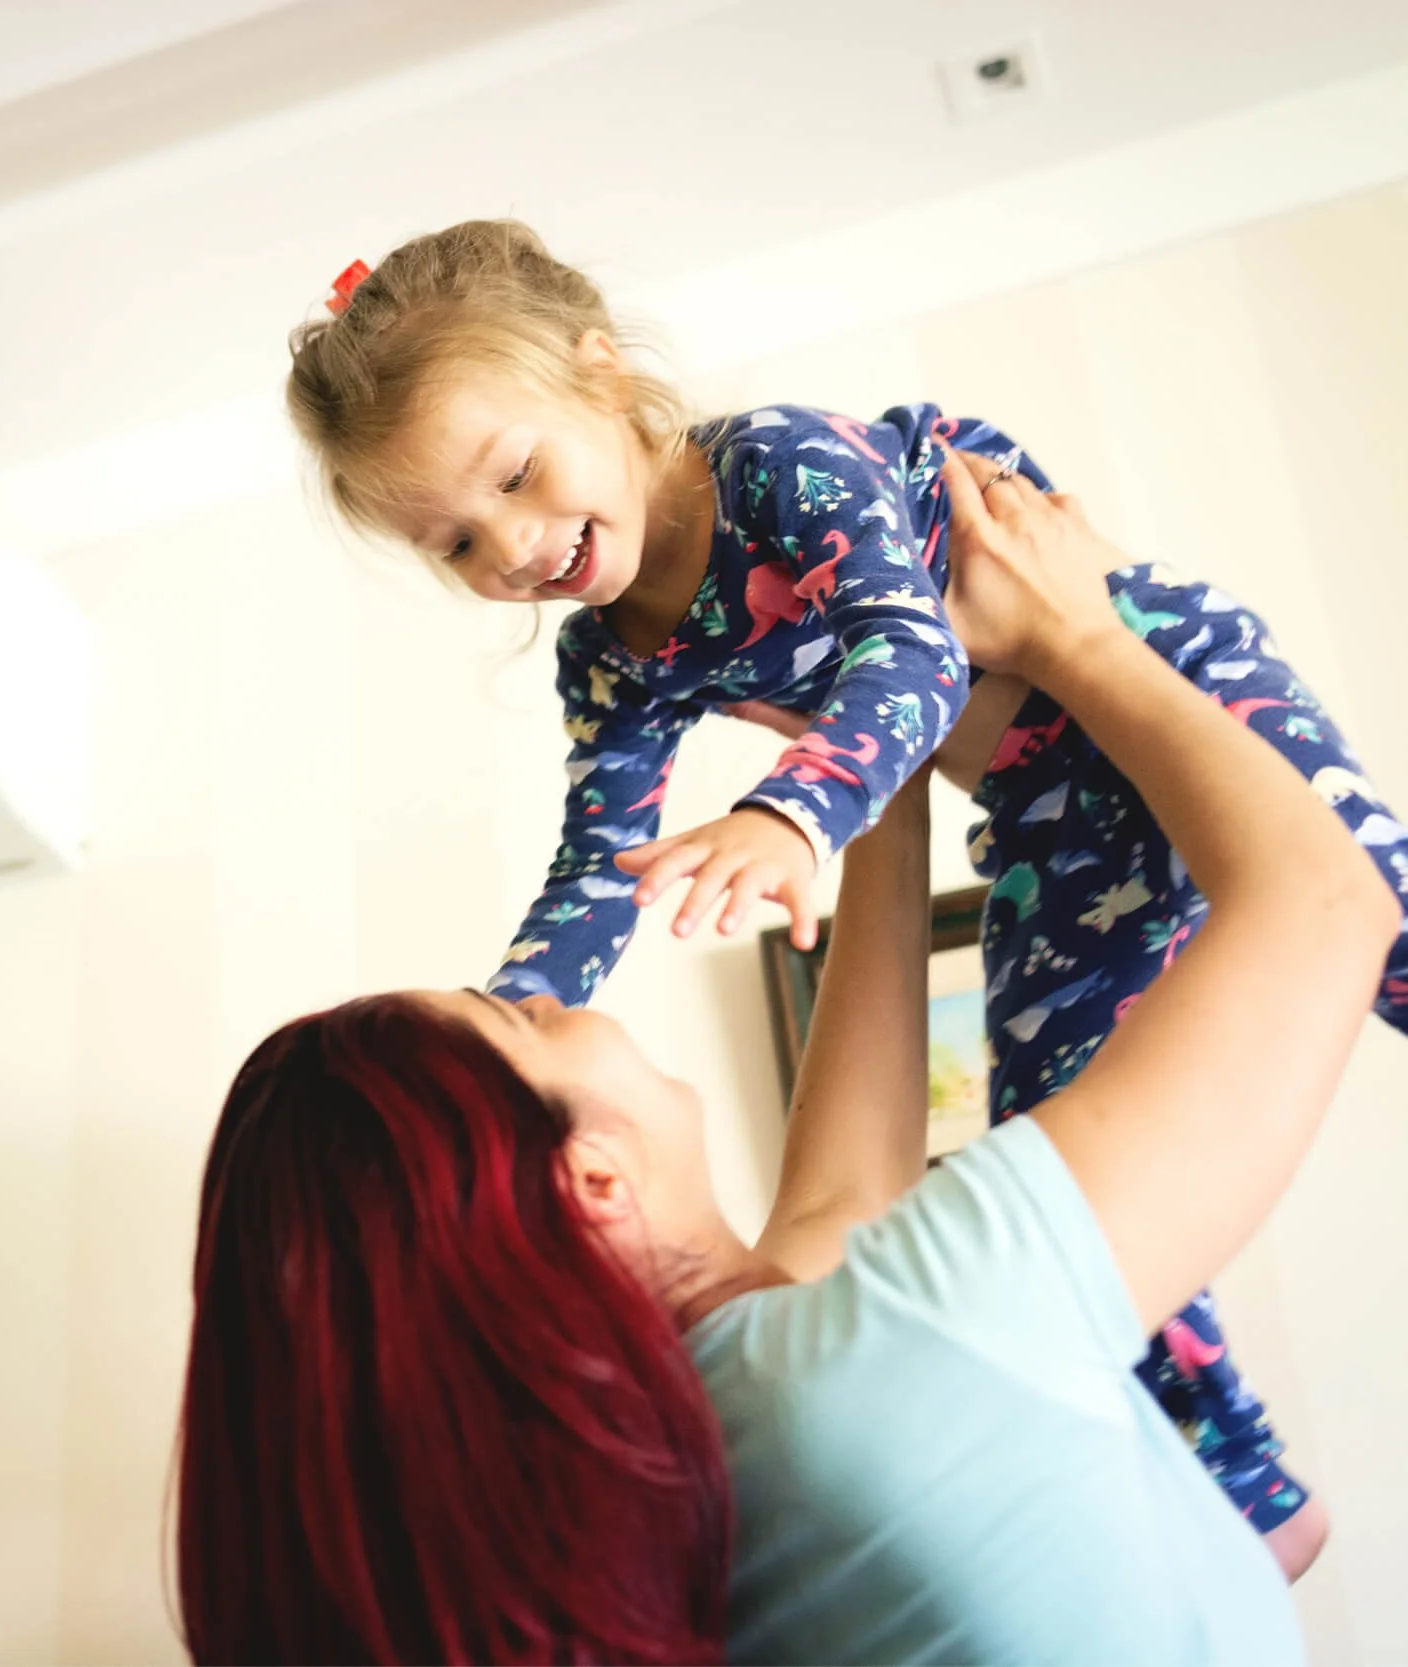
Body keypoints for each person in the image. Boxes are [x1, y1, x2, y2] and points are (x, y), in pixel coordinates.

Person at [282, 218, 1408, 1546]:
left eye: (518, 476)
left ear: (600, 371)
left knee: (1379, 922)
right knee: (1047, 1101)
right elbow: (599, 858)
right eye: (457, 544)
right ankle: (1246, 1476)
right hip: (1053, 813)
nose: (515, 548)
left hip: (1170, 675)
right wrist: (495, 1029)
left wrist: (791, 812)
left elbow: (914, 657)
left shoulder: (778, 466)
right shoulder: (605, 661)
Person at [175, 457, 1400, 1663]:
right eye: (529, 1019)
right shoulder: (897, 1351)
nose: (564, 1005)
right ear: (589, 1178)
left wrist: (876, 773)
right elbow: (1328, 907)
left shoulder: (712, 1458)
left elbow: (833, 1208)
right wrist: (1077, 636)